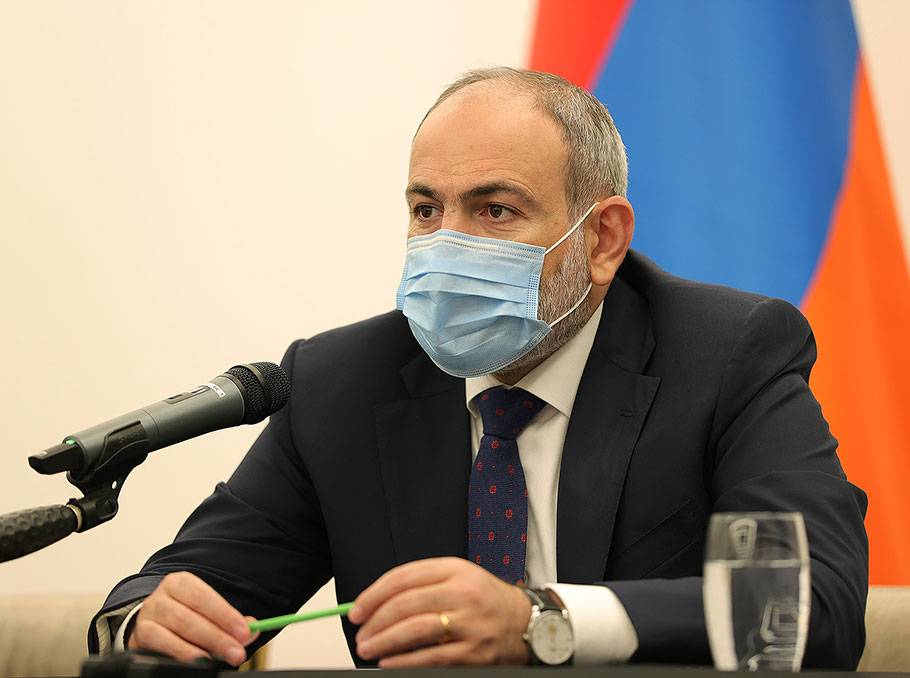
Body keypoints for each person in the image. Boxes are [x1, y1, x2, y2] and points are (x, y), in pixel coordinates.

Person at [89, 67, 868, 669]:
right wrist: (145, 618)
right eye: (427, 210)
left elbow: (816, 606)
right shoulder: (340, 382)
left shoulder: (727, 355)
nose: (447, 246)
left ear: (601, 240)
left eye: (496, 210)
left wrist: (542, 621)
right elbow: (183, 587)